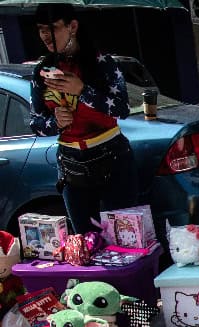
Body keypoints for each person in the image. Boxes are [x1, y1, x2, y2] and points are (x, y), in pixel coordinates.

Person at [29, 3, 138, 235]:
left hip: (111, 156)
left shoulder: (103, 64)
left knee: (126, 237)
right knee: (85, 241)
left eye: (52, 28)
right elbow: (36, 124)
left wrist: (83, 91)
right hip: (71, 164)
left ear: (73, 26)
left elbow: (122, 109)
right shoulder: (41, 71)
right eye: (41, 29)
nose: (46, 35)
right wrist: (56, 122)